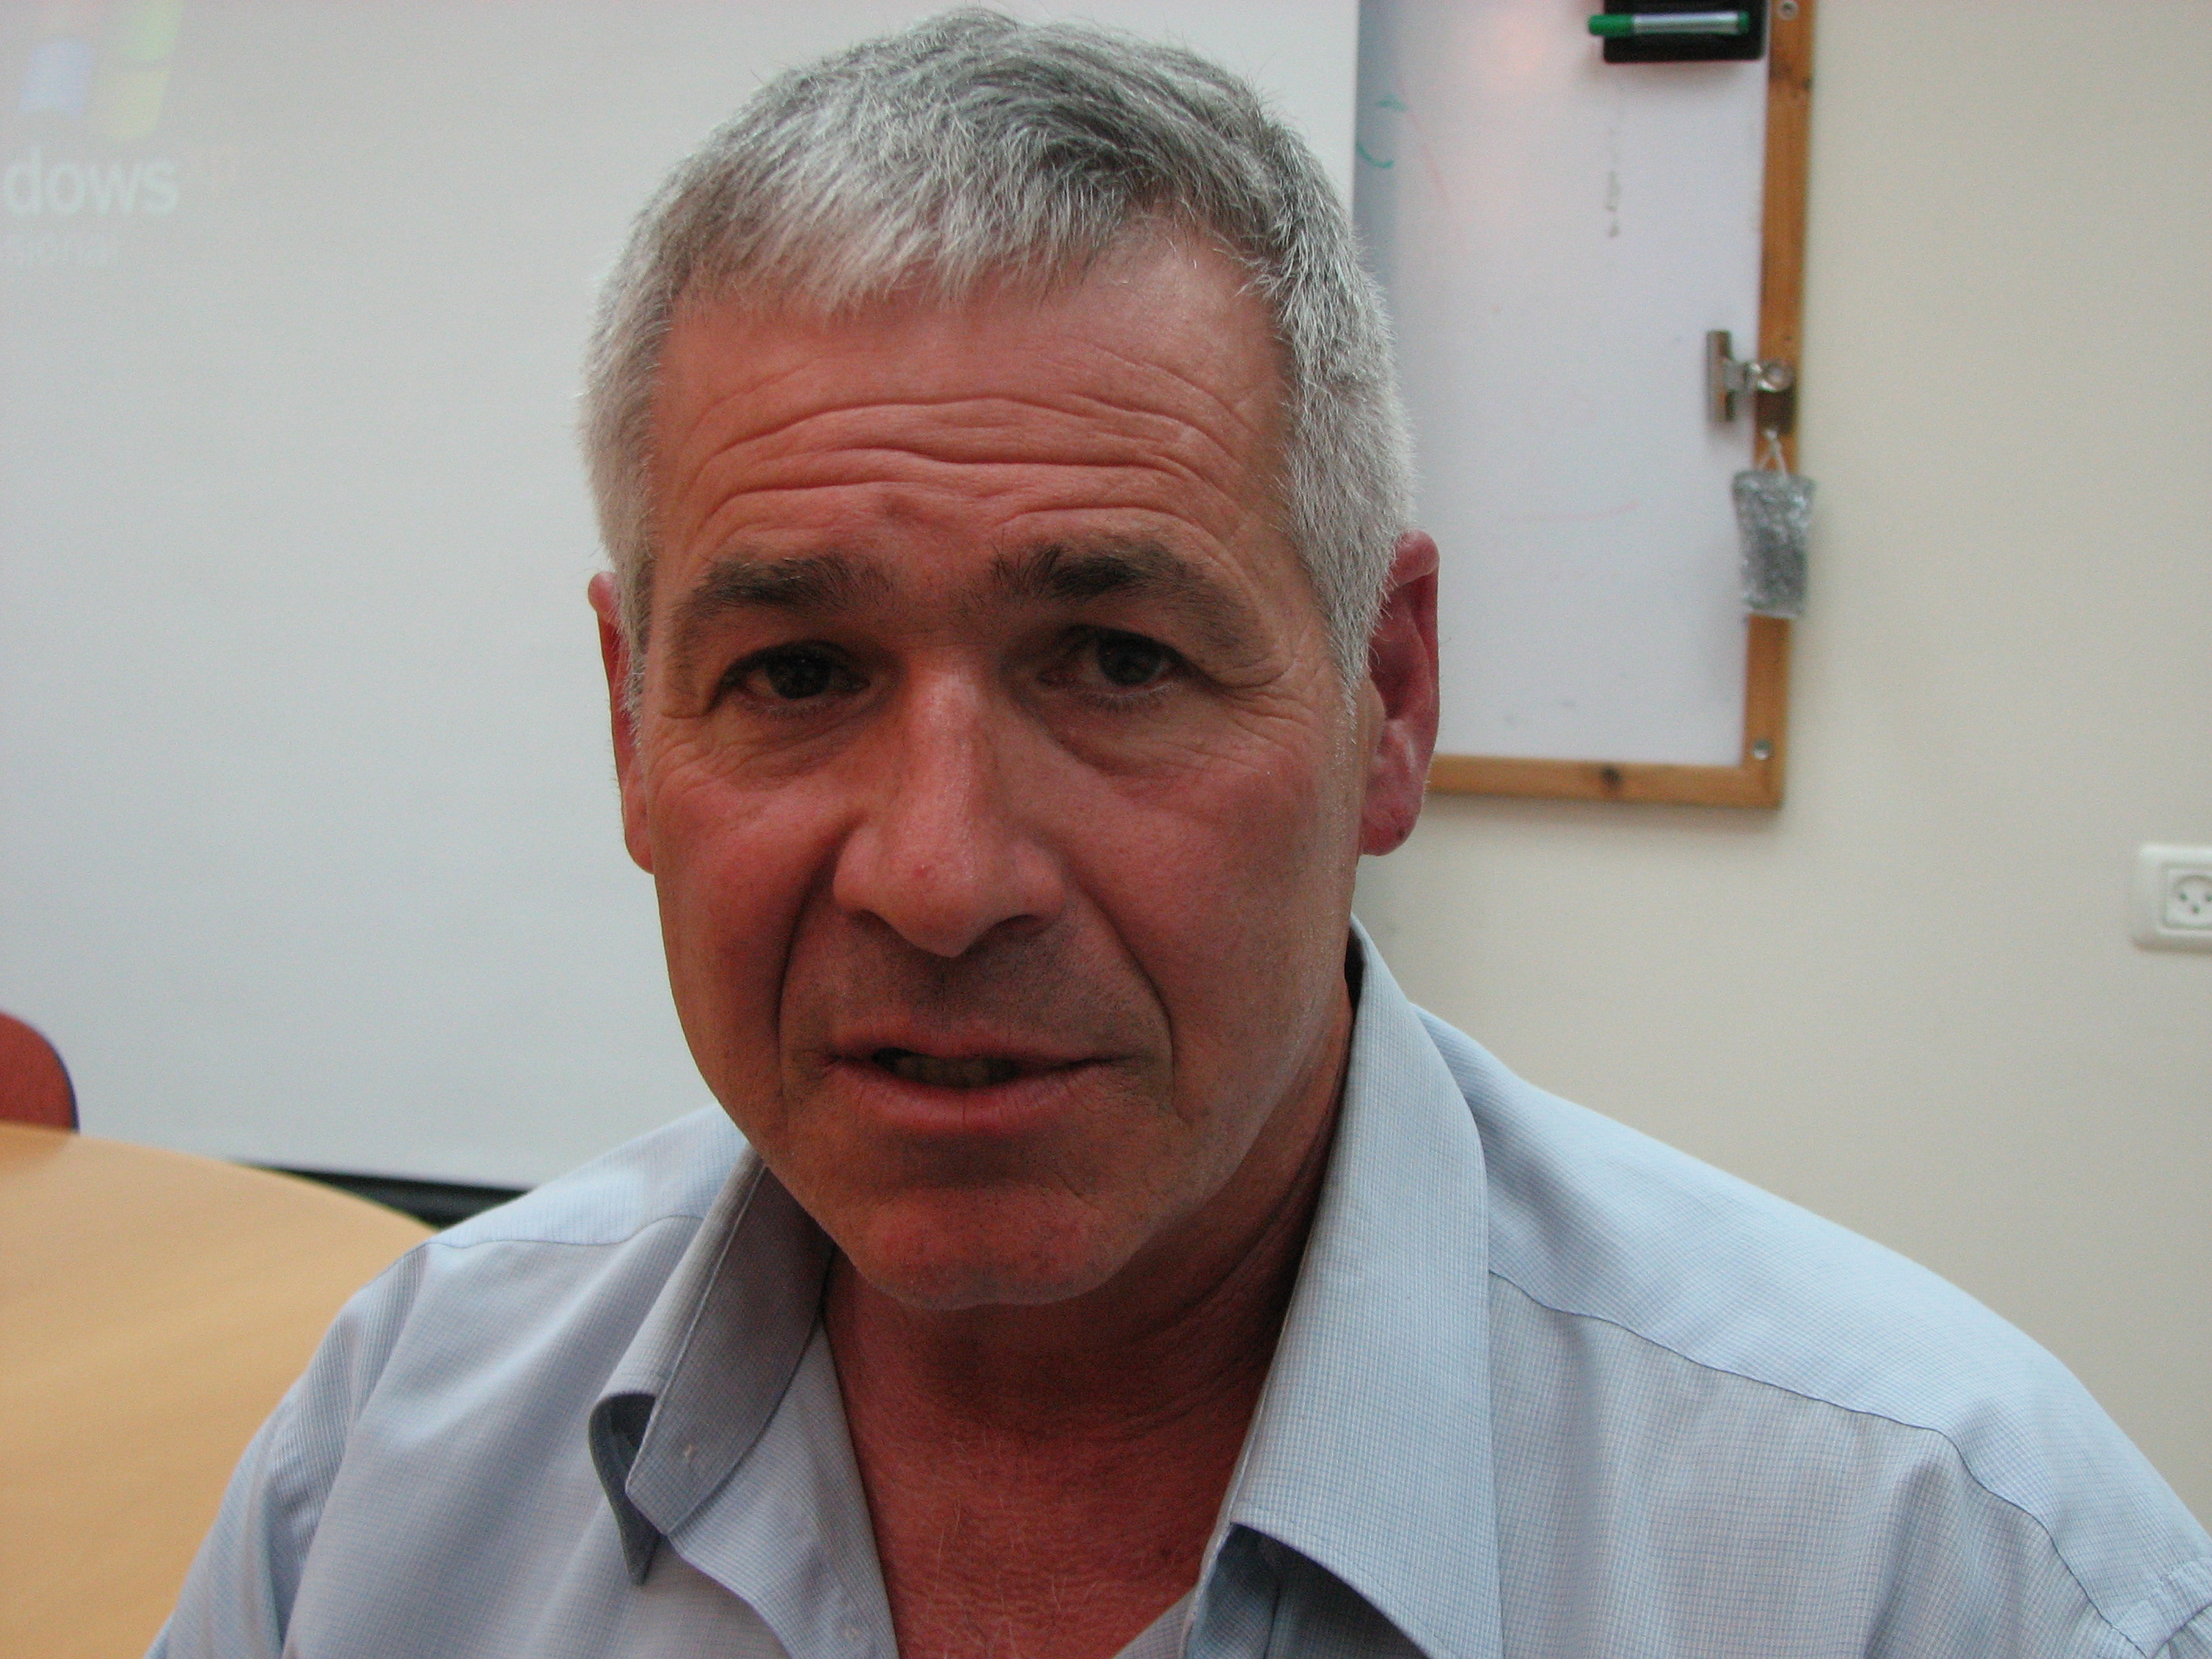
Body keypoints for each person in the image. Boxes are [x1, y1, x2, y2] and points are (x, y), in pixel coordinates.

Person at [153, 13, 2209, 1659]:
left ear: (1390, 694)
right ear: (631, 724)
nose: (939, 878)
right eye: (797, 674)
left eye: (1119, 660)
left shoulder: (1939, 1568)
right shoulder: (395, 1467)